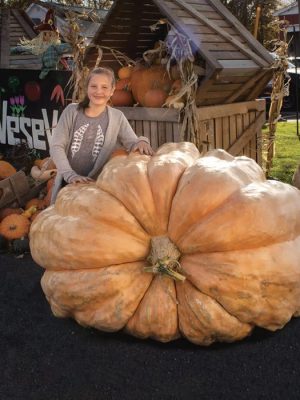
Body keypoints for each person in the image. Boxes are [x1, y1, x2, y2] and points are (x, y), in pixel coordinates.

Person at [50, 66, 154, 204]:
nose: (99, 91)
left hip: (95, 187)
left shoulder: (117, 117)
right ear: (87, 89)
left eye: (104, 87)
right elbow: (56, 146)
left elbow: (132, 142)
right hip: (68, 184)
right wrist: (70, 175)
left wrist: (142, 141)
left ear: (112, 91)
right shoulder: (71, 111)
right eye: (94, 86)